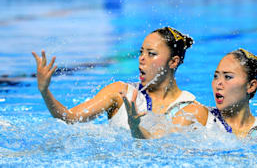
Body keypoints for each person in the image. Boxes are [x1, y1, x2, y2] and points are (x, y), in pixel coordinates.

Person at [31, 27, 209, 138]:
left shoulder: (191, 111)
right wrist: (45, 91)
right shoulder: (119, 92)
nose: (141, 59)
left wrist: (134, 126)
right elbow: (69, 118)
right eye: (141, 52)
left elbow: (159, 150)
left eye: (151, 54)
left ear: (173, 61)